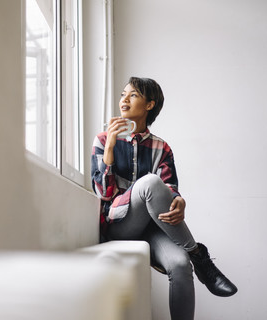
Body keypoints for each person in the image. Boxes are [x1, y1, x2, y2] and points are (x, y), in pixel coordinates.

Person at [91, 77, 237, 320]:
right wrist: (109, 150)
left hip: (153, 227)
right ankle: (200, 256)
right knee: (149, 182)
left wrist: (179, 202)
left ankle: (192, 259)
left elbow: (170, 190)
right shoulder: (105, 139)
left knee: (180, 264)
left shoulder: (162, 147)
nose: (124, 99)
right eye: (122, 94)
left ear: (150, 104)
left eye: (133, 95)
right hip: (118, 225)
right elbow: (103, 193)